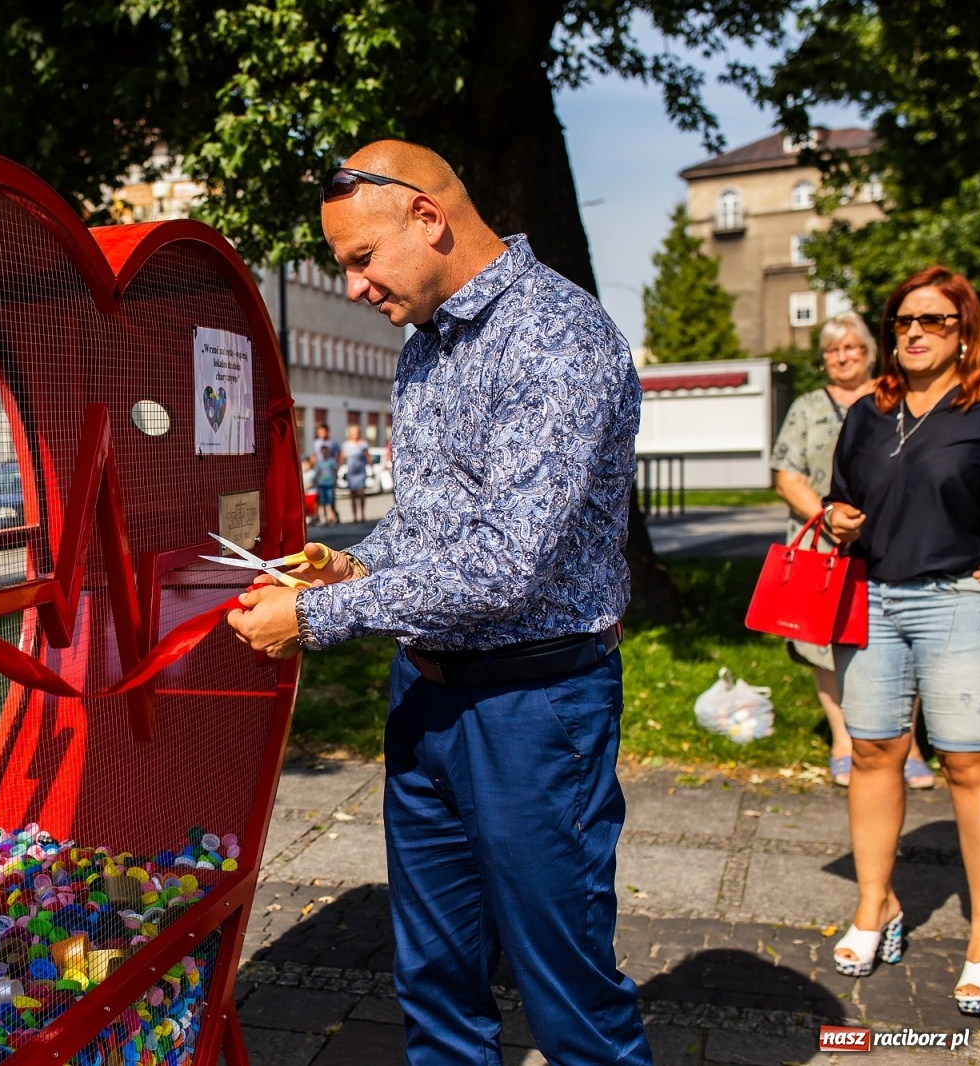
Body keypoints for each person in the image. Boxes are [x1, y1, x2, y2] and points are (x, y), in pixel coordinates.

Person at [227, 140, 651, 1064]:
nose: (353, 287)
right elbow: (432, 525)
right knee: (434, 981)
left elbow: (505, 566)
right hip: (427, 692)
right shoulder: (426, 346)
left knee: (569, 994)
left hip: (533, 708)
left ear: (428, 218)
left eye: (360, 259)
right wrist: (352, 566)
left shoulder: (556, 335)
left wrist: (316, 618)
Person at [821, 266, 980, 1015]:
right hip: (872, 599)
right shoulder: (868, 413)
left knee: (968, 766)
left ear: (964, 331)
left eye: (934, 320)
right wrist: (837, 519)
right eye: (903, 321)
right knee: (873, 752)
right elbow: (841, 499)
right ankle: (876, 904)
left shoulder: (978, 408)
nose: (915, 332)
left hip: (957, 600)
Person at [770, 313, 934, 788]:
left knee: (903, 632)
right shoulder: (806, 407)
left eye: (851, 348)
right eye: (832, 350)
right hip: (824, 544)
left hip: (893, 540)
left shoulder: (900, 399)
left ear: (870, 353)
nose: (841, 358)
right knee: (824, 641)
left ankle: (907, 744)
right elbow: (787, 476)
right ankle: (844, 739)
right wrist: (827, 517)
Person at [340, 423, 371, 523]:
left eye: (356, 433)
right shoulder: (346, 445)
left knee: (361, 493)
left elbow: (368, 457)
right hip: (351, 473)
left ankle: (362, 514)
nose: (354, 435)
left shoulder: (363, 444)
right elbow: (342, 457)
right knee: (352, 494)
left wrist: (372, 468)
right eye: (352, 433)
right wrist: (338, 469)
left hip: (360, 472)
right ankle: (354, 516)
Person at [312, 438, 339, 526]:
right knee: (322, 501)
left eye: (326, 451)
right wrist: (316, 482)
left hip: (330, 483)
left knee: (331, 501)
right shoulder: (319, 462)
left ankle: (333, 516)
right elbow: (317, 473)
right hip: (322, 483)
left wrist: (335, 481)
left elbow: (335, 471)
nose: (324, 453)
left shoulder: (331, 461)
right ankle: (325, 517)